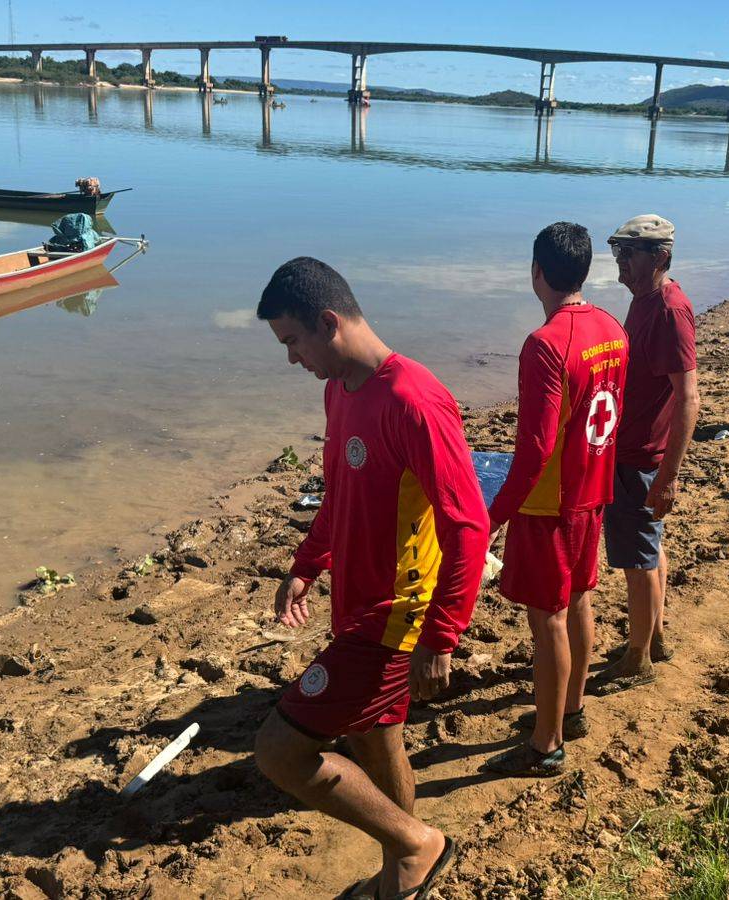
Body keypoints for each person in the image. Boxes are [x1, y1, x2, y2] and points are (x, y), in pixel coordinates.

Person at [251, 257, 487, 899]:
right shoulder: (339, 388)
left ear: (328, 322)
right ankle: (403, 872)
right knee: (375, 735)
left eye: (293, 341)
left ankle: (417, 846)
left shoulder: (415, 400)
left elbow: (468, 525)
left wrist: (442, 634)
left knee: (278, 751)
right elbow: (339, 494)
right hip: (355, 603)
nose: (292, 359)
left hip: (395, 614)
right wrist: (309, 562)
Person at [480, 223, 629, 776]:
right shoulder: (613, 327)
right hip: (594, 492)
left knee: (548, 620)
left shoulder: (544, 345)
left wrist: (493, 518)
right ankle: (572, 709)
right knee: (580, 600)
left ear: (536, 272)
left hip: (551, 505)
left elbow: (537, 448)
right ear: (586, 270)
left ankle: (547, 745)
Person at [594, 214, 699, 695]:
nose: (620, 261)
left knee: (637, 563)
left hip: (642, 457)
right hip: (636, 452)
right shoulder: (646, 300)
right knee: (651, 549)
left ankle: (636, 658)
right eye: (618, 251)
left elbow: (688, 397)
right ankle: (653, 638)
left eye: (630, 253)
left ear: (659, 256)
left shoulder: (668, 310)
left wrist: (669, 475)